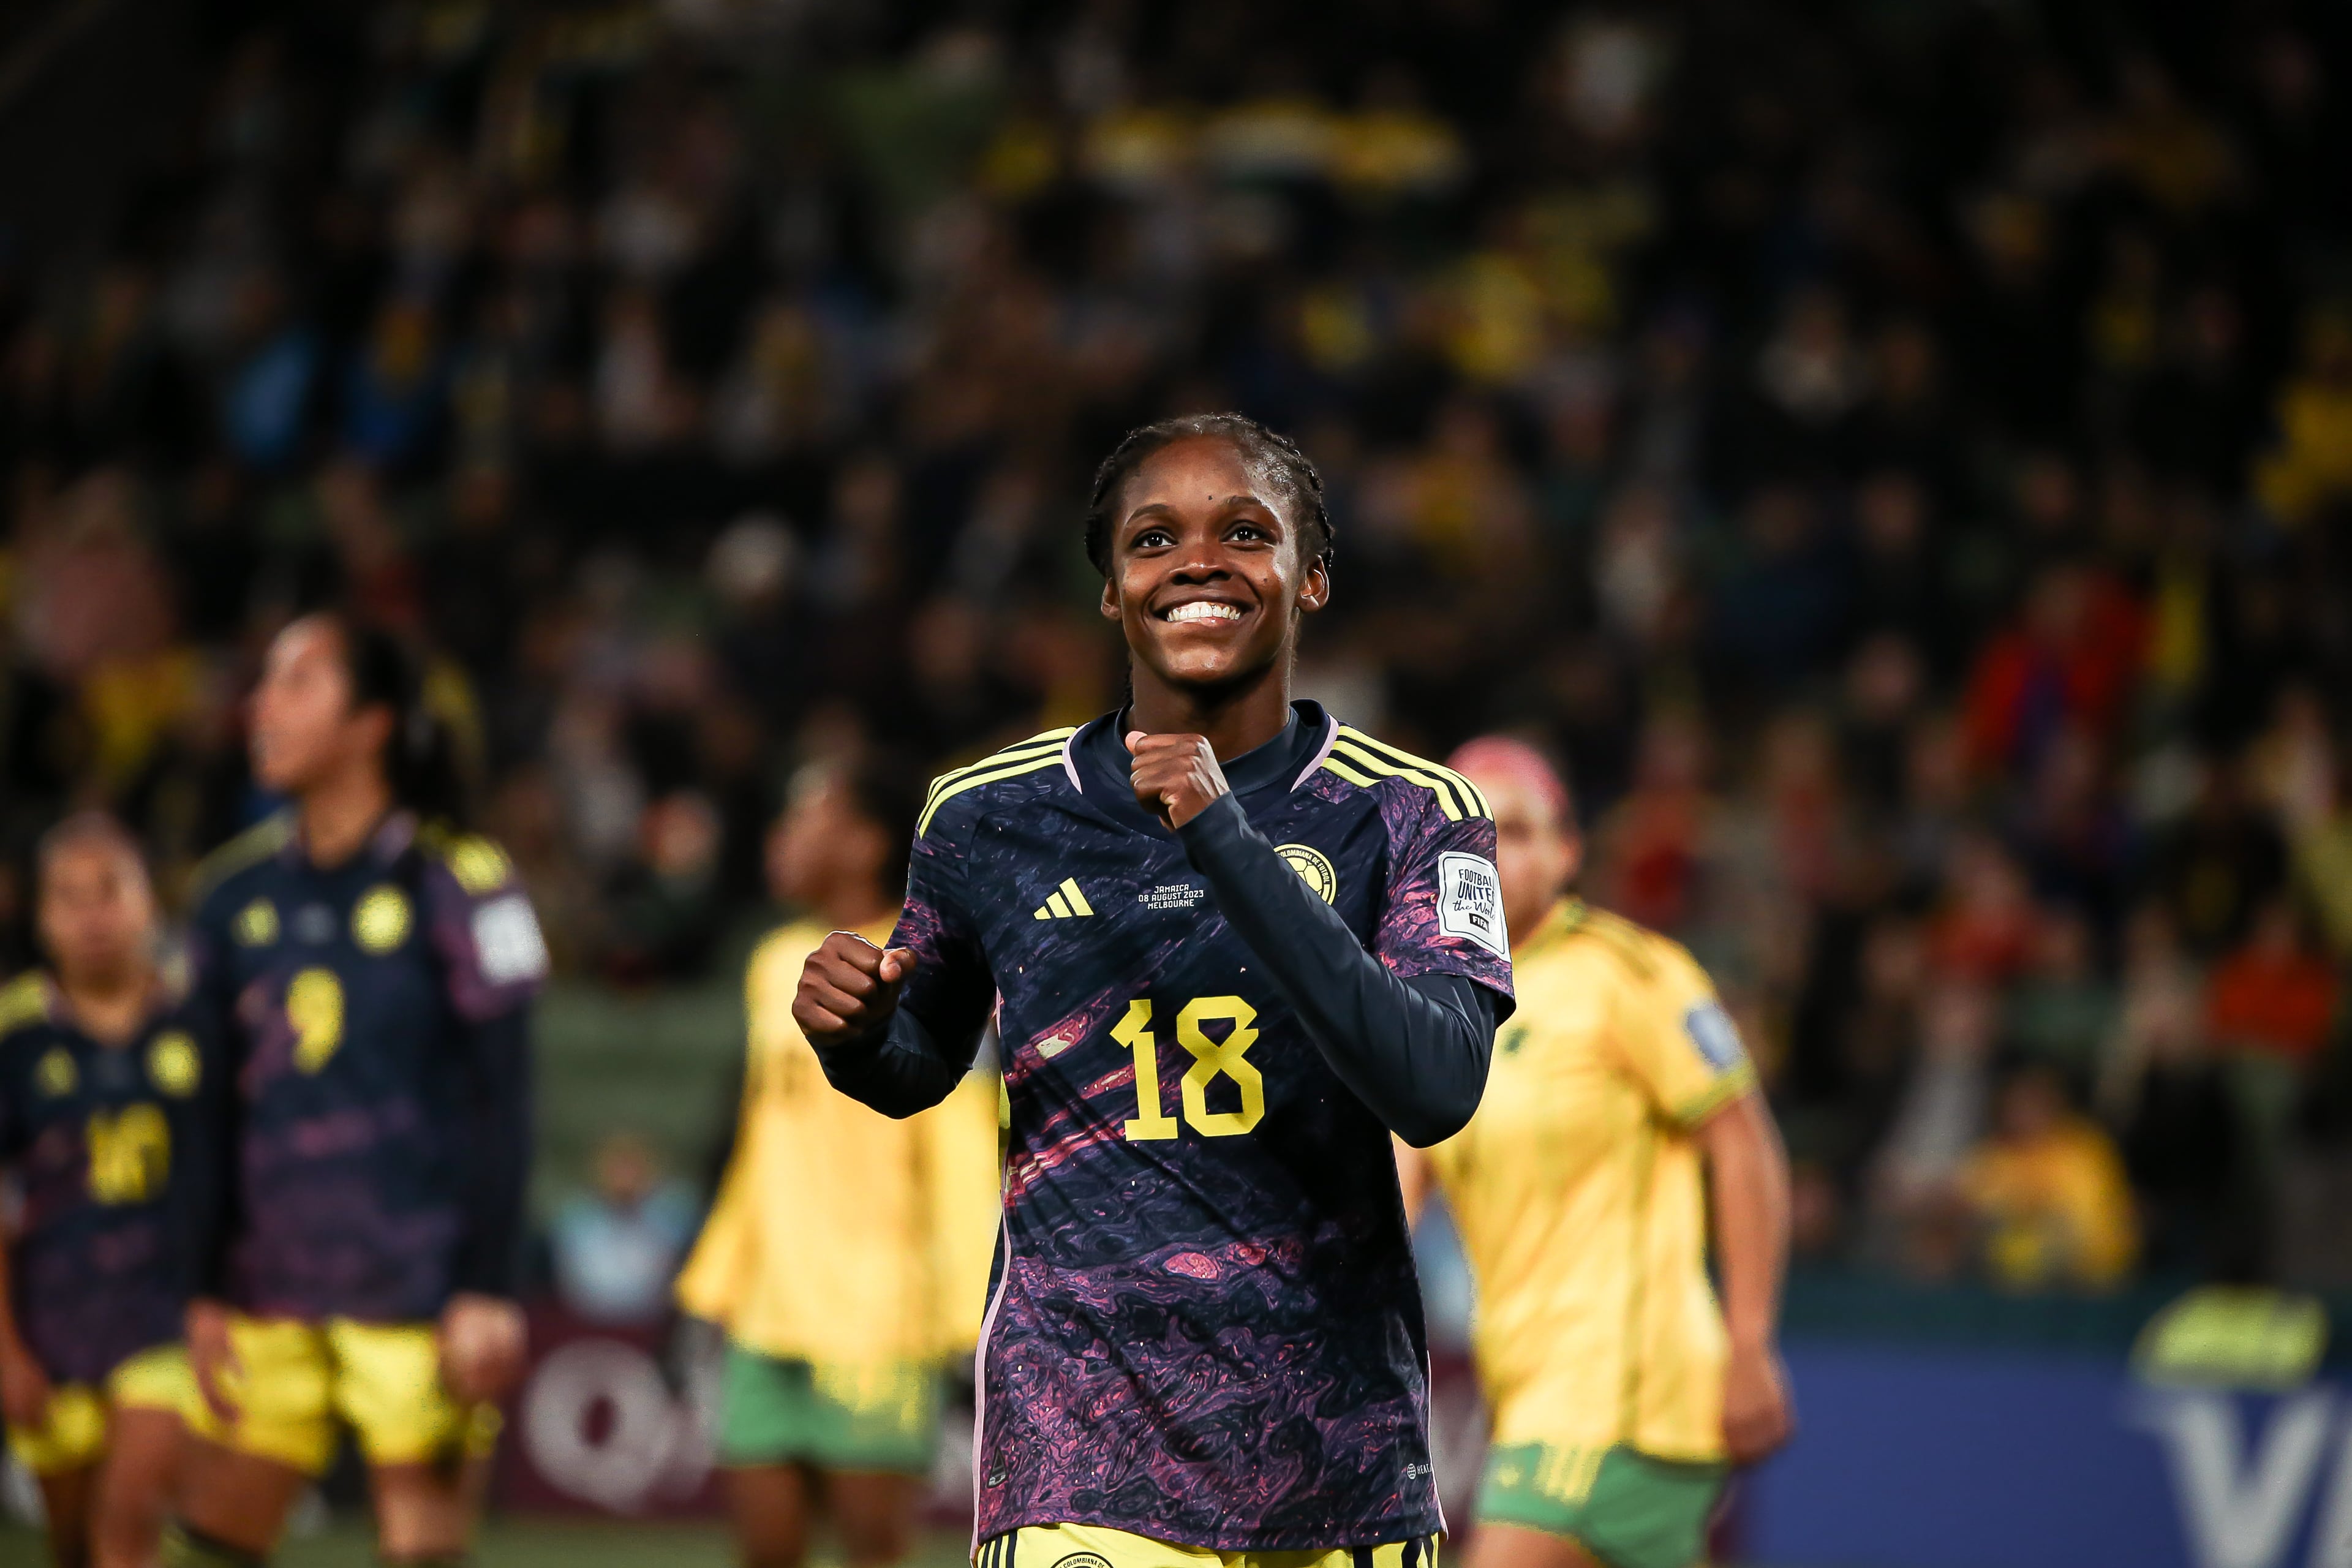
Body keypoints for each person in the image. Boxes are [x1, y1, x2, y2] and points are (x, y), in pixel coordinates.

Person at [796, 413, 1514, 1567]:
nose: (1196, 562)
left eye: (1245, 532)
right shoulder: (985, 817)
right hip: (1079, 1429)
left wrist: (1227, 838)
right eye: (1152, 539)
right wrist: (858, 1036)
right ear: (1111, 591)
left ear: (1312, 576)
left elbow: (1435, 1088)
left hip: (1336, 1451)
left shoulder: (1413, 814)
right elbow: (916, 1067)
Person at [165, 612, 546, 1568]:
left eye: (296, 684)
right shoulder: (225, 899)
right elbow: (206, 1115)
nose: (261, 707)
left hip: (417, 1293)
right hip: (267, 1293)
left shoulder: (465, 883)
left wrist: (488, 1289)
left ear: (371, 723)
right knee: (211, 1541)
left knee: (419, 1547)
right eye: (263, 684)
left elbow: (506, 1103)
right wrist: (204, 1287)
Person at [1396, 737, 1794, 1568]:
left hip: (1622, 1395)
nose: (1495, 855)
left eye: (1519, 831)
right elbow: (1387, 1208)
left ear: (1568, 852)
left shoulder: (1627, 974)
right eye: (1472, 833)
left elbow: (1743, 1143)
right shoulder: (1430, 1014)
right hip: (1531, 1395)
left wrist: (1751, 1341)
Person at [677, 760, 998, 1568]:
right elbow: (760, 1143)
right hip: (765, 1311)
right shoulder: (772, 962)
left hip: (878, 1320)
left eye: (806, 818)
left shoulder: (930, 965)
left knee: (871, 1554)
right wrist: (711, 1283)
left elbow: (959, 1153)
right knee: (764, 1551)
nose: (782, 837)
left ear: (863, 844)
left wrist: (973, 1323)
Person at [0, 814, 206, 1568]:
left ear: (151, 901)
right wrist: (6, 1350)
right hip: (49, 1322)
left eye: (111, 891)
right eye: (70, 897)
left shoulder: (202, 1023)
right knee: (73, 1546)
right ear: (42, 915)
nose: (93, 916)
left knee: (129, 1531)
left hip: (167, 1320)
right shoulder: (15, 1035)